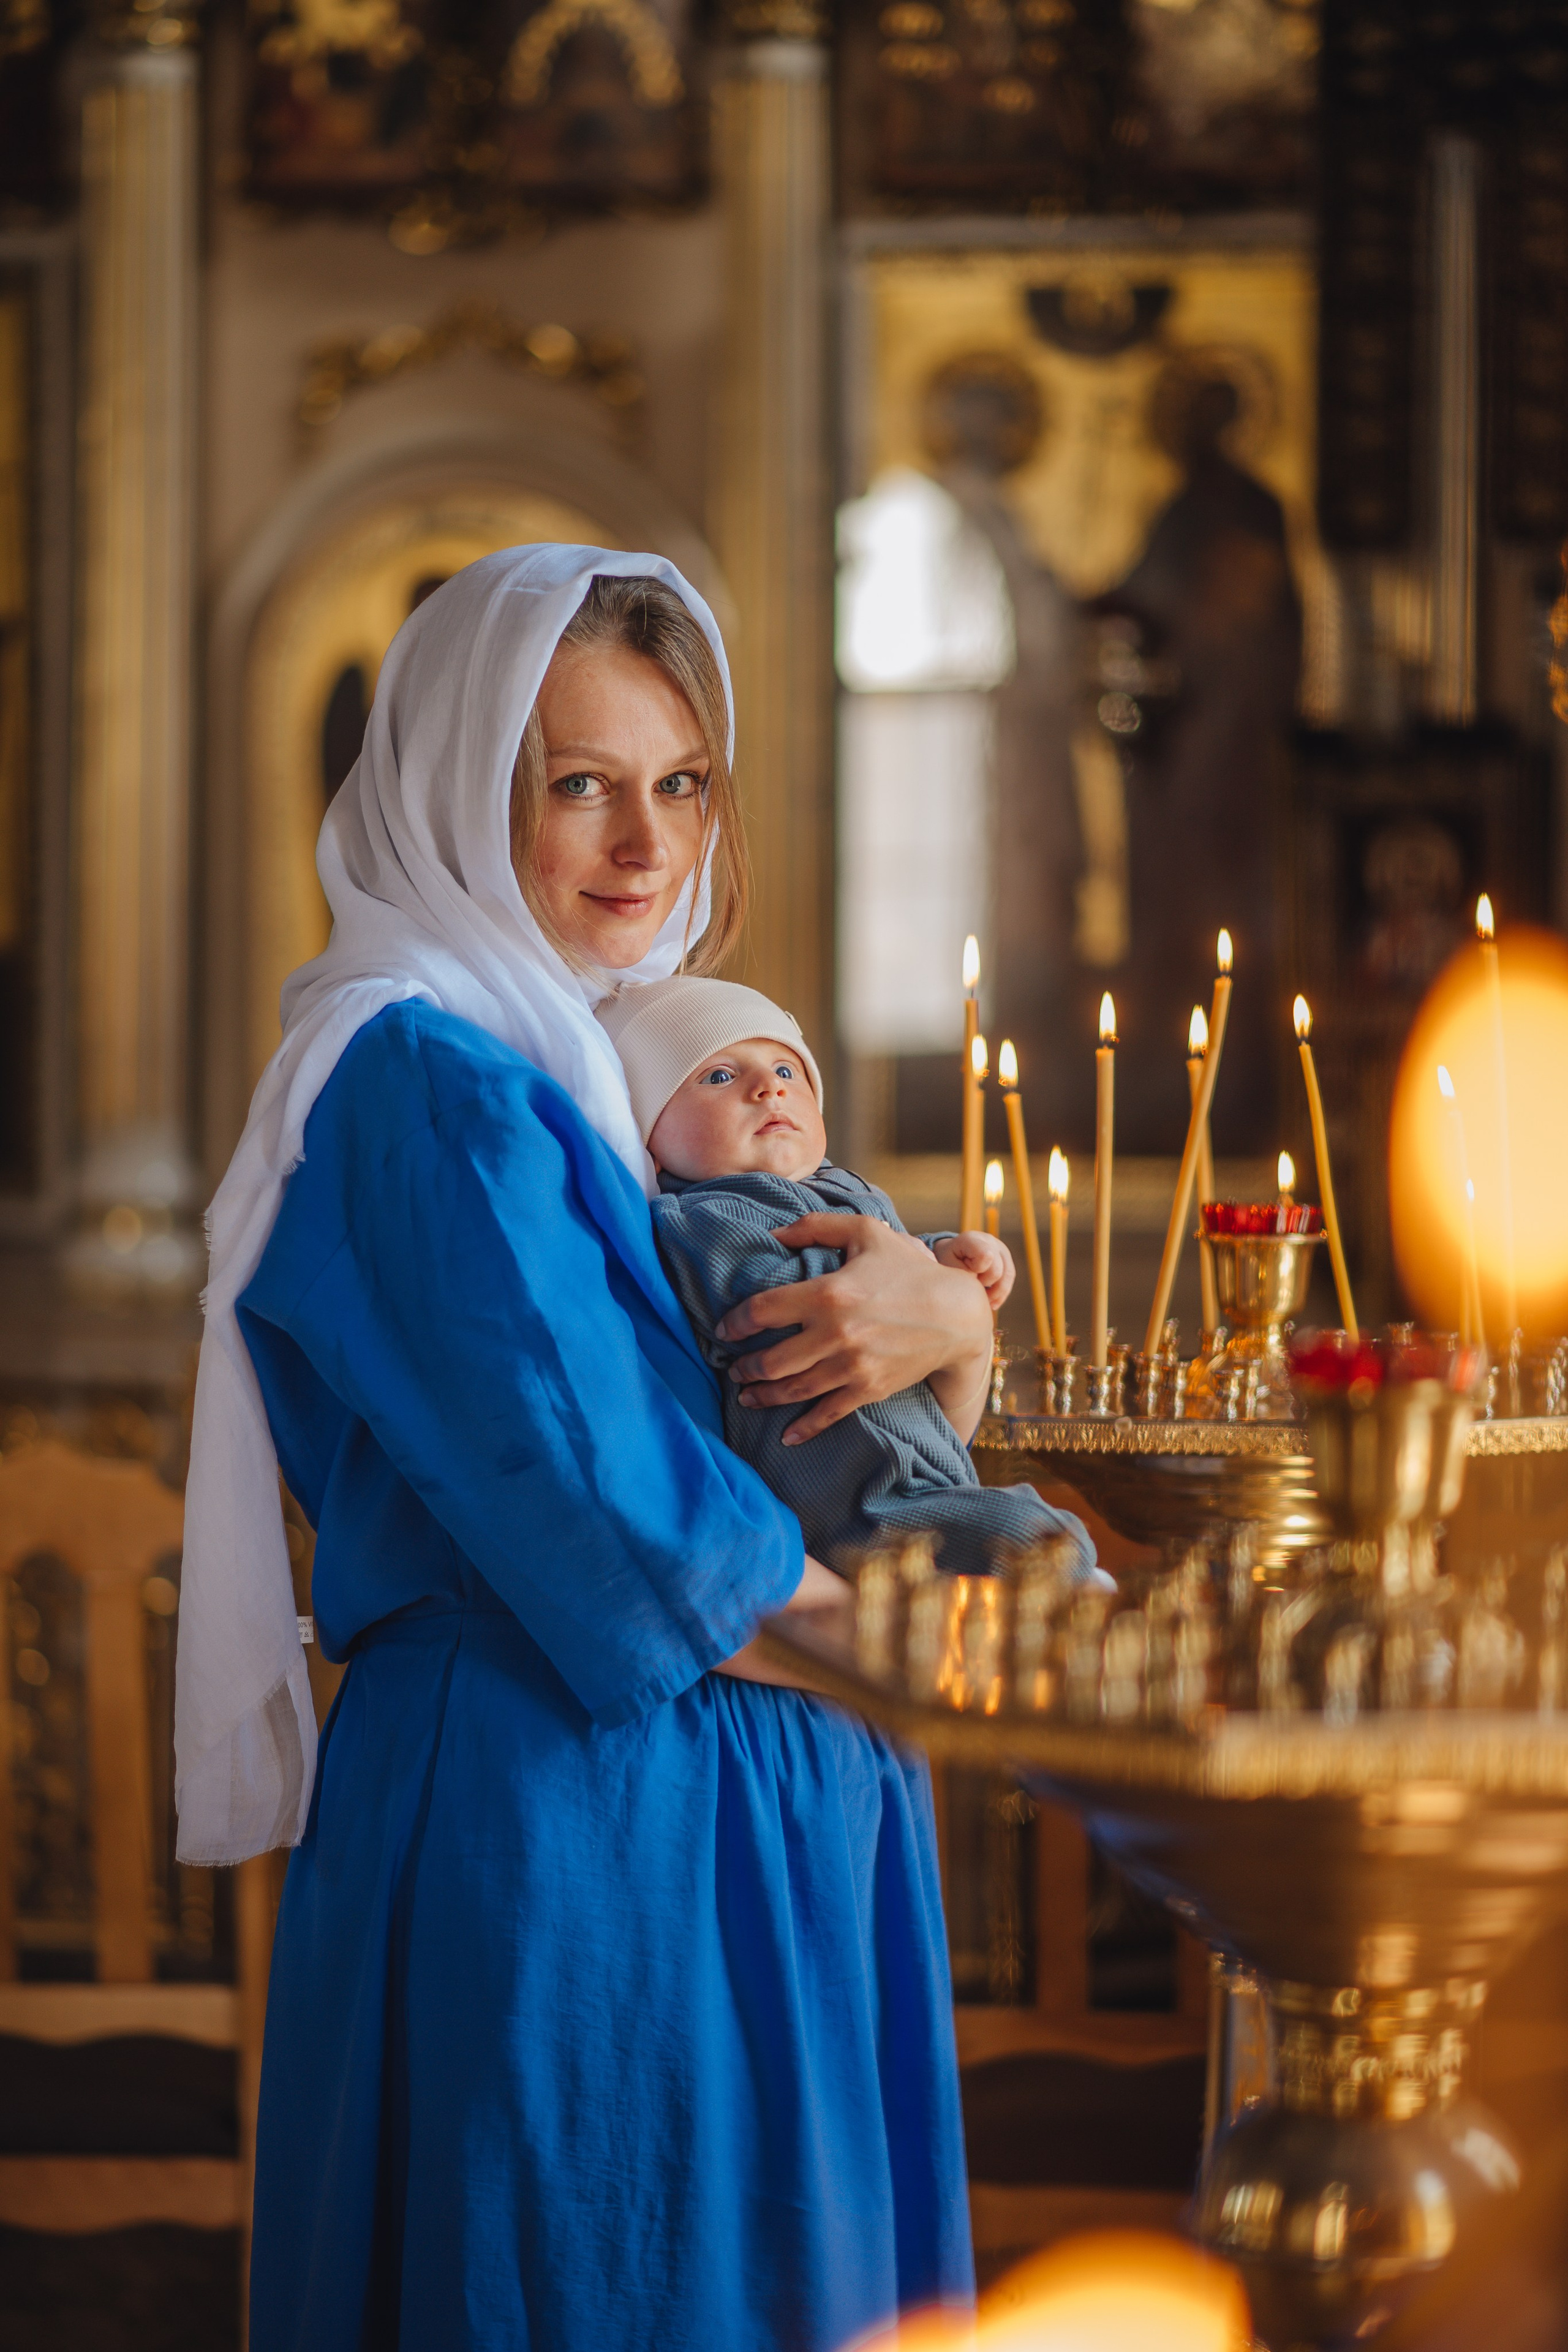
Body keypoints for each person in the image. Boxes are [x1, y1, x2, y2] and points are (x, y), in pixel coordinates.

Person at [175, 547, 987, 2351]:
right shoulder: (424, 1083)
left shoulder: (642, 1080)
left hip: (757, 1800)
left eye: (679, 783)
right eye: (580, 785)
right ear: (466, 787)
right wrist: (980, 1668)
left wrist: (955, 1328)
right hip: (580, 1829)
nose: (645, 843)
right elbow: (639, 1525)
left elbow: (831, 1451)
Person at [597, 972, 1097, 1581]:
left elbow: (900, 1268)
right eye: (719, 1077)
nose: (767, 1090)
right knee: (1029, 1541)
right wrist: (912, 1280)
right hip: (850, 1505)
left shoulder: (844, 1189)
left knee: (1041, 1526)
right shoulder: (704, 1216)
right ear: (650, 1136)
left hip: (922, 1469)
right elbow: (770, 1293)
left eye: (787, 1072)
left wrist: (948, 1260)